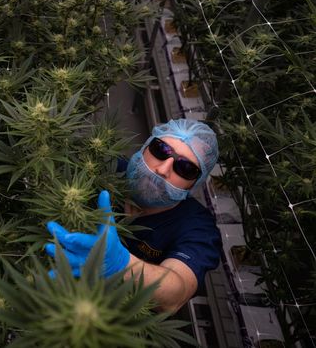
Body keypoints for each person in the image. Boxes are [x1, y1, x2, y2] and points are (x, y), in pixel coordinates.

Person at [44, 118, 222, 313]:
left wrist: (123, 265)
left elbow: (176, 293)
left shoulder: (198, 228)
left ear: (194, 185)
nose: (162, 169)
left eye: (185, 168)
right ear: (145, 147)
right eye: (161, 150)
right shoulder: (101, 167)